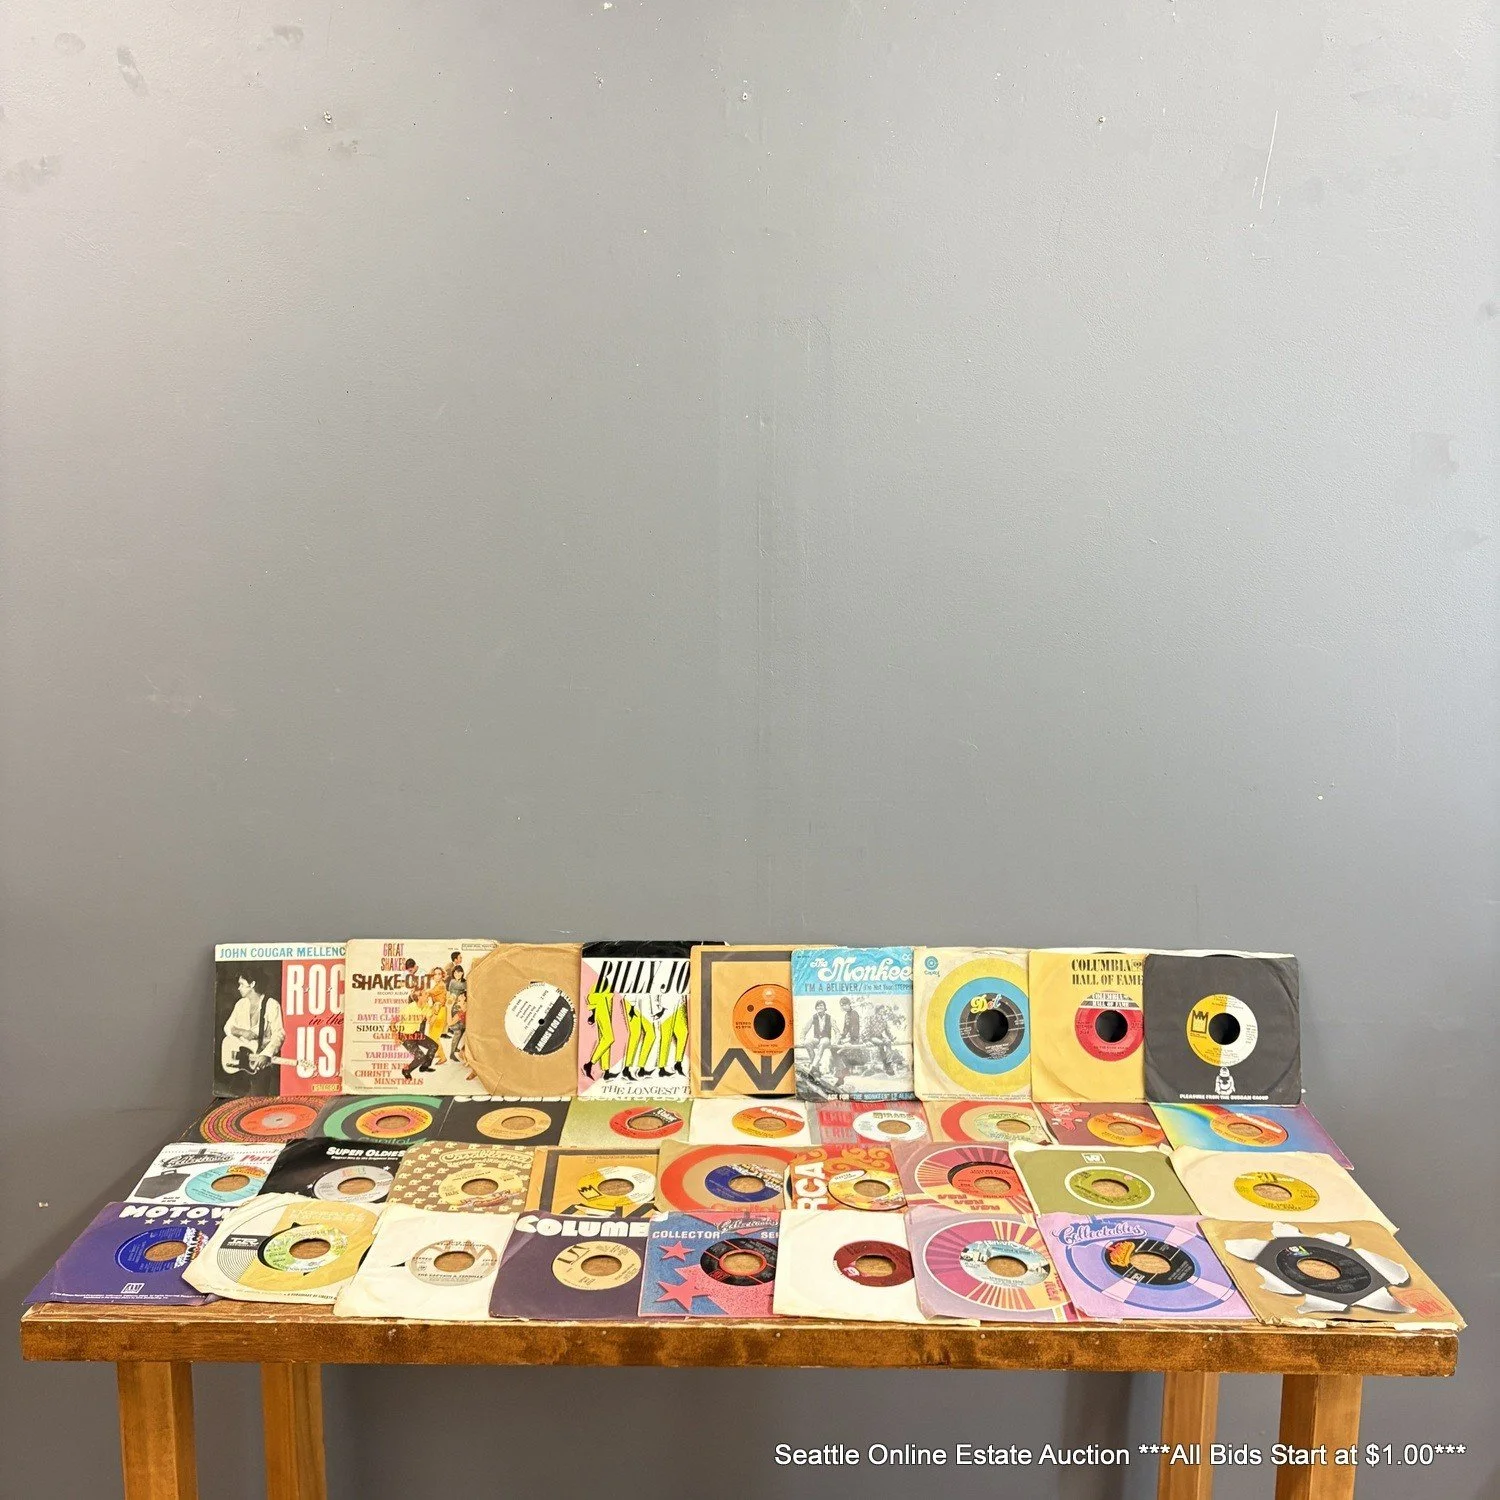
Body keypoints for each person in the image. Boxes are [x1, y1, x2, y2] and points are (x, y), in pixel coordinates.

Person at [219, 974, 285, 1090]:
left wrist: (266, 1054)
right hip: (239, 1064)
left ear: (252, 984)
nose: (238, 988)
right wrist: (242, 1032)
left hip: (260, 1063)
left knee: (257, 1095)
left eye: (241, 984)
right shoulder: (240, 1004)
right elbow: (227, 1027)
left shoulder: (271, 1005)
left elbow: (279, 1034)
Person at [583, 982, 615, 1081]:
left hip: (606, 1001)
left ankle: (606, 1071)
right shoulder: (604, 981)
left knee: (604, 1039)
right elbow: (594, 993)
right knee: (609, 1038)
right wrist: (593, 1013)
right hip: (600, 1001)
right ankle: (589, 1064)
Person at [802, 998, 835, 1083]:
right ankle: (815, 1069)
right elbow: (805, 1029)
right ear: (815, 1008)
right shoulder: (814, 1017)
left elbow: (837, 1031)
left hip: (826, 1038)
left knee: (823, 1042)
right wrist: (802, 1038)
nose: (819, 1007)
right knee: (807, 1042)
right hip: (816, 1038)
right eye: (817, 1006)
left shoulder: (830, 1018)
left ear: (825, 1007)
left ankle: (813, 1067)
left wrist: (836, 1041)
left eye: (821, 1005)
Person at [867, 1004, 898, 1075]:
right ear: (877, 1010)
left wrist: (892, 1038)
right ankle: (886, 1065)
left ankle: (888, 1063)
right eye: (881, 1010)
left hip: (880, 1036)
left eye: (883, 1010)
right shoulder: (871, 1018)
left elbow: (887, 1031)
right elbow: (867, 1029)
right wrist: (865, 1040)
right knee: (881, 1043)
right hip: (872, 1036)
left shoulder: (884, 1021)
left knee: (888, 1041)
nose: (882, 1011)